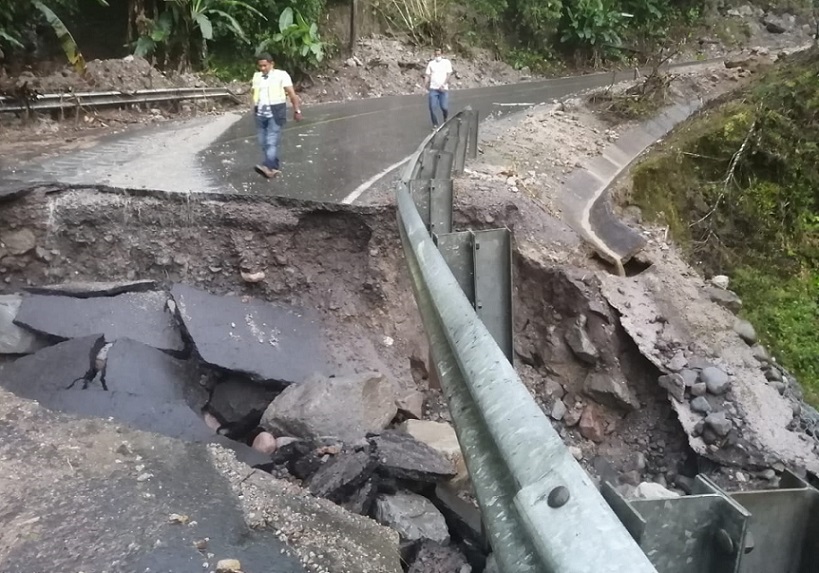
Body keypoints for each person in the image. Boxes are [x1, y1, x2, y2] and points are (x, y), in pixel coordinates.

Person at [251, 53, 302, 179]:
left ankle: (268, 167)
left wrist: (297, 110)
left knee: (271, 141)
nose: (262, 68)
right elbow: (254, 94)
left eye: (265, 65)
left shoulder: (281, 75)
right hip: (260, 114)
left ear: (272, 64)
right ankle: (273, 167)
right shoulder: (257, 76)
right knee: (263, 142)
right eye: (260, 66)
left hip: (276, 113)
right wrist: (253, 110)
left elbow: (292, 94)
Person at [424, 48, 453, 130]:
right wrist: (424, 86)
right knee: (432, 107)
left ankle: (445, 117)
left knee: (444, 107)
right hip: (433, 89)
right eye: (436, 54)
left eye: (439, 54)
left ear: (442, 54)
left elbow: (449, 74)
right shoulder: (431, 63)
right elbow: (427, 75)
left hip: (443, 89)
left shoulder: (446, 62)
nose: (437, 56)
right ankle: (435, 124)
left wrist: (444, 84)